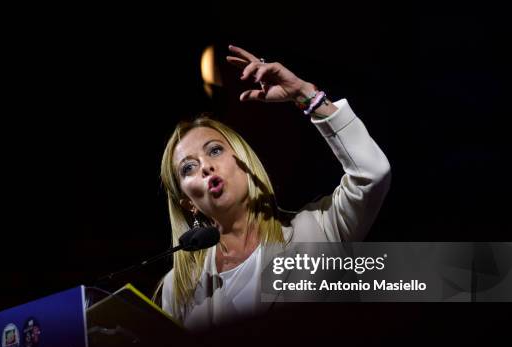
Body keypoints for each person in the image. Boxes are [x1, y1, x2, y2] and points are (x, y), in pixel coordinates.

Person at [155, 45, 391, 331]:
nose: (205, 166)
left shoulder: (319, 230)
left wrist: (306, 95)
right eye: (188, 168)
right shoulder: (176, 290)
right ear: (188, 203)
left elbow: (371, 174)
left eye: (215, 150)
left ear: (242, 162)